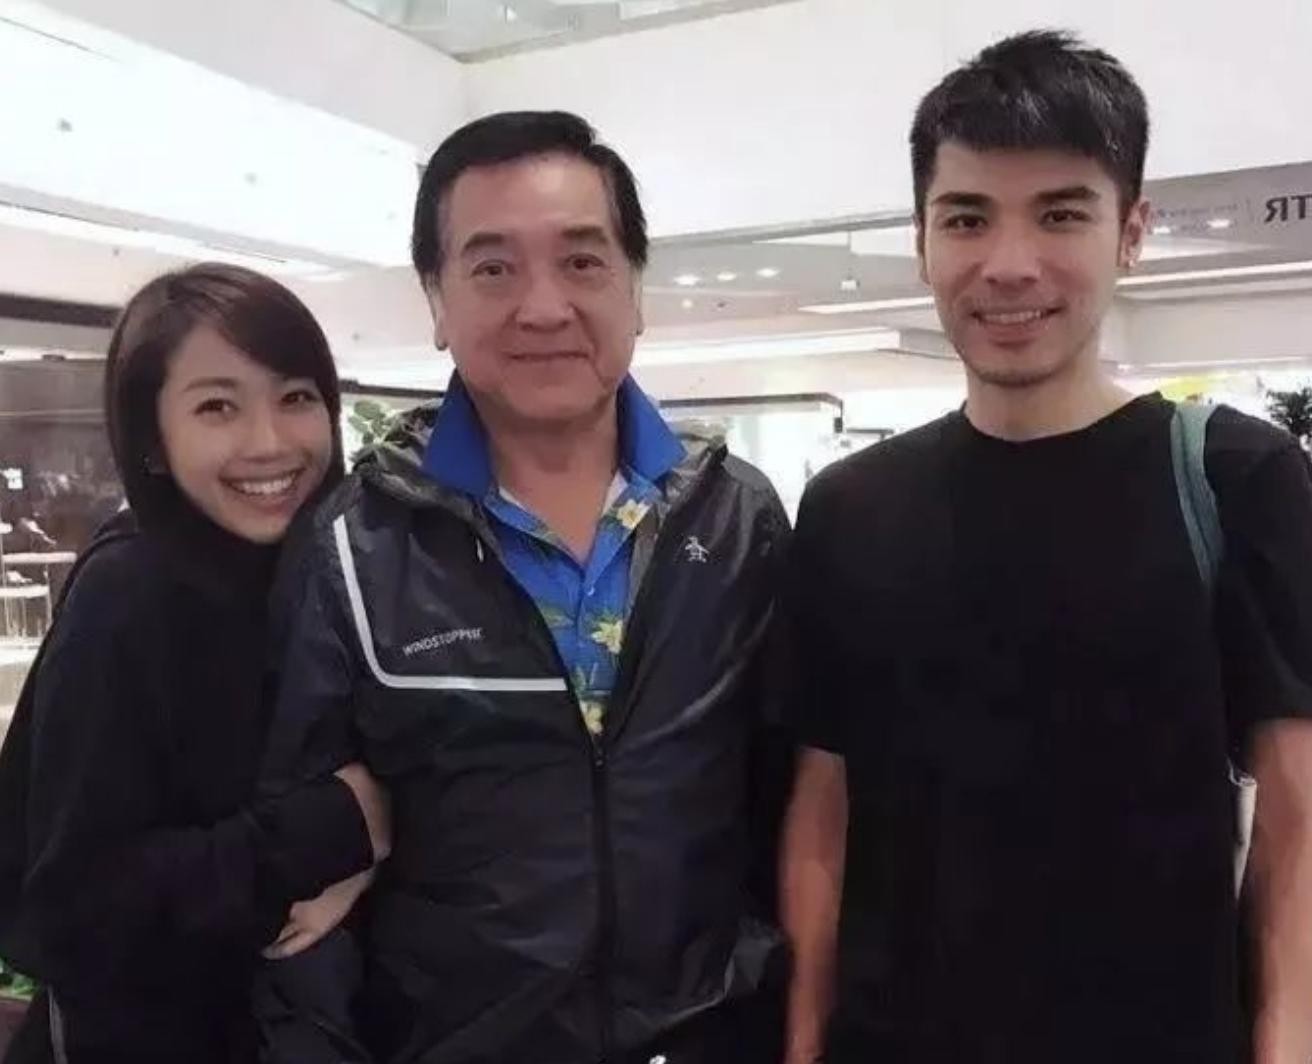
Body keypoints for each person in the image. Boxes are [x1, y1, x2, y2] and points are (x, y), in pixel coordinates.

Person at [780, 30, 1312, 1064]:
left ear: (1131, 232)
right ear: (922, 240)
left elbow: (1294, 813)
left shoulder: (1233, 475)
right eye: (967, 217)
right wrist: (803, 1043)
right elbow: (823, 816)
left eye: (1061, 213)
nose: (1009, 264)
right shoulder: (850, 505)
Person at [255, 111, 792, 1064]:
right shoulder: (356, 545)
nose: (543, 308)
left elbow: (791, 802)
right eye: (493, 268)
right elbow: (304, 879)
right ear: (436, 301)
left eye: (582, 262)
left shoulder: (736, 518)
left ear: (635, 289)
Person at [0, 264, 390, 1063]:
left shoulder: (330, 574)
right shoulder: (132, 593)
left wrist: (367, 851)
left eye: (296, 397)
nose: (269, 442)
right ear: (151, 439)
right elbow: (74, 913)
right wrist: (336, 830)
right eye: (218, 407)